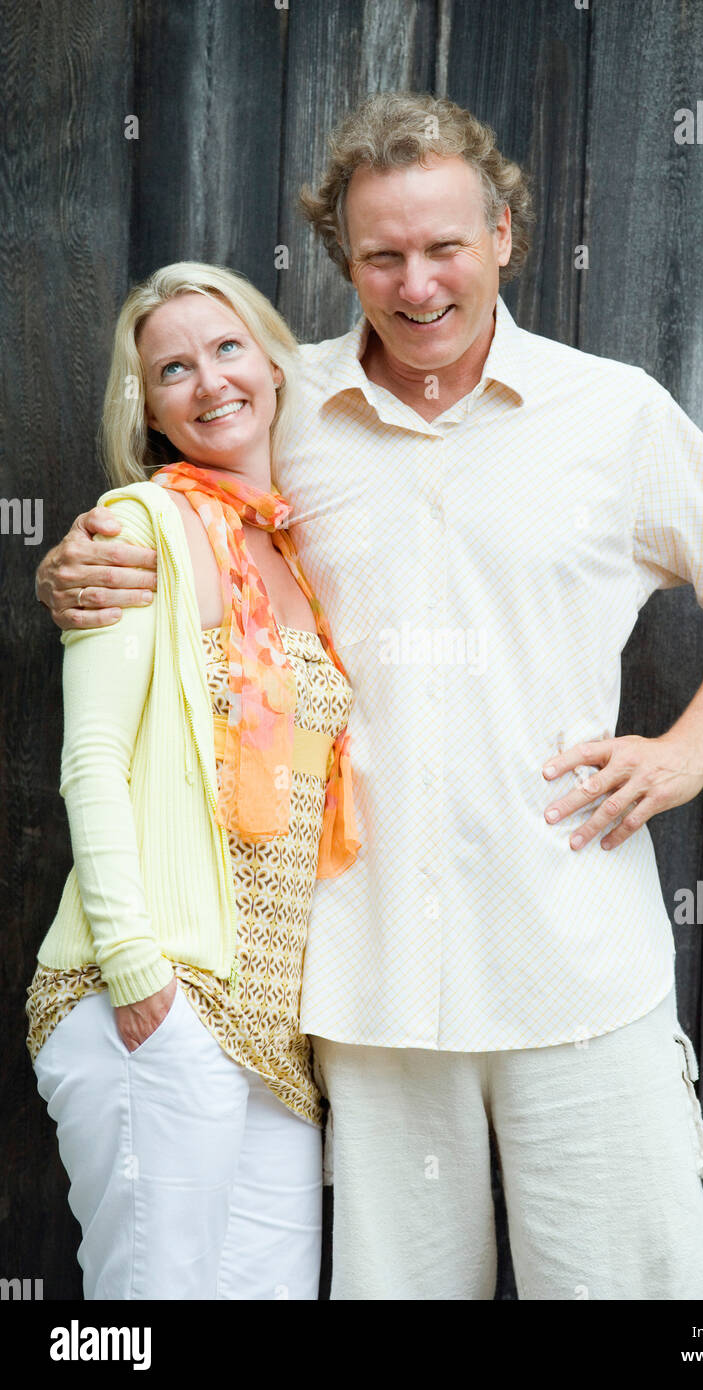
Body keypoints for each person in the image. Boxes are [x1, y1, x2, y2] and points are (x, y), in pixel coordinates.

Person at [37, 92, 703, 1301]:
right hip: (366, 982)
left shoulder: (609, 414)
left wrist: (685, 751)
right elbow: (168, 519)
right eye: (381, 255)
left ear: (504, 233)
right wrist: (73, 564)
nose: (416, 285)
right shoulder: (275, 406)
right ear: (343, 258)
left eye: (444, 246)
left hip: (575, 960)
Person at [27, 261, 359, 1300]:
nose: (210, 381)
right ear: (150, 406)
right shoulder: (137, 530)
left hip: (273, 1023)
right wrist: (137, 971)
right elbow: (92, 758)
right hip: (155, 991)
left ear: (269, 360)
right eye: (174, 367)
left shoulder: (297, 549)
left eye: (226, 349)